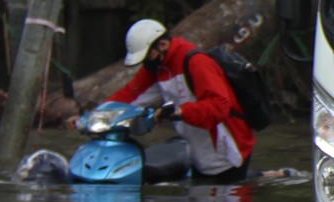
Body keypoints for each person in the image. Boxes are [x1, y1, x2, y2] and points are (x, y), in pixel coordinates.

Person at [106, 19, 255, 181]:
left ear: (162, 45)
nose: (145, 62)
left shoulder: (196, 62)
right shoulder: (157, 67)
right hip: (199, 151)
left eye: (147, 56)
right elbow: (130, 94)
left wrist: (181, 111)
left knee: (223, 200)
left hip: (227, 151)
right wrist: (97, 115)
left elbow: (219, 106)